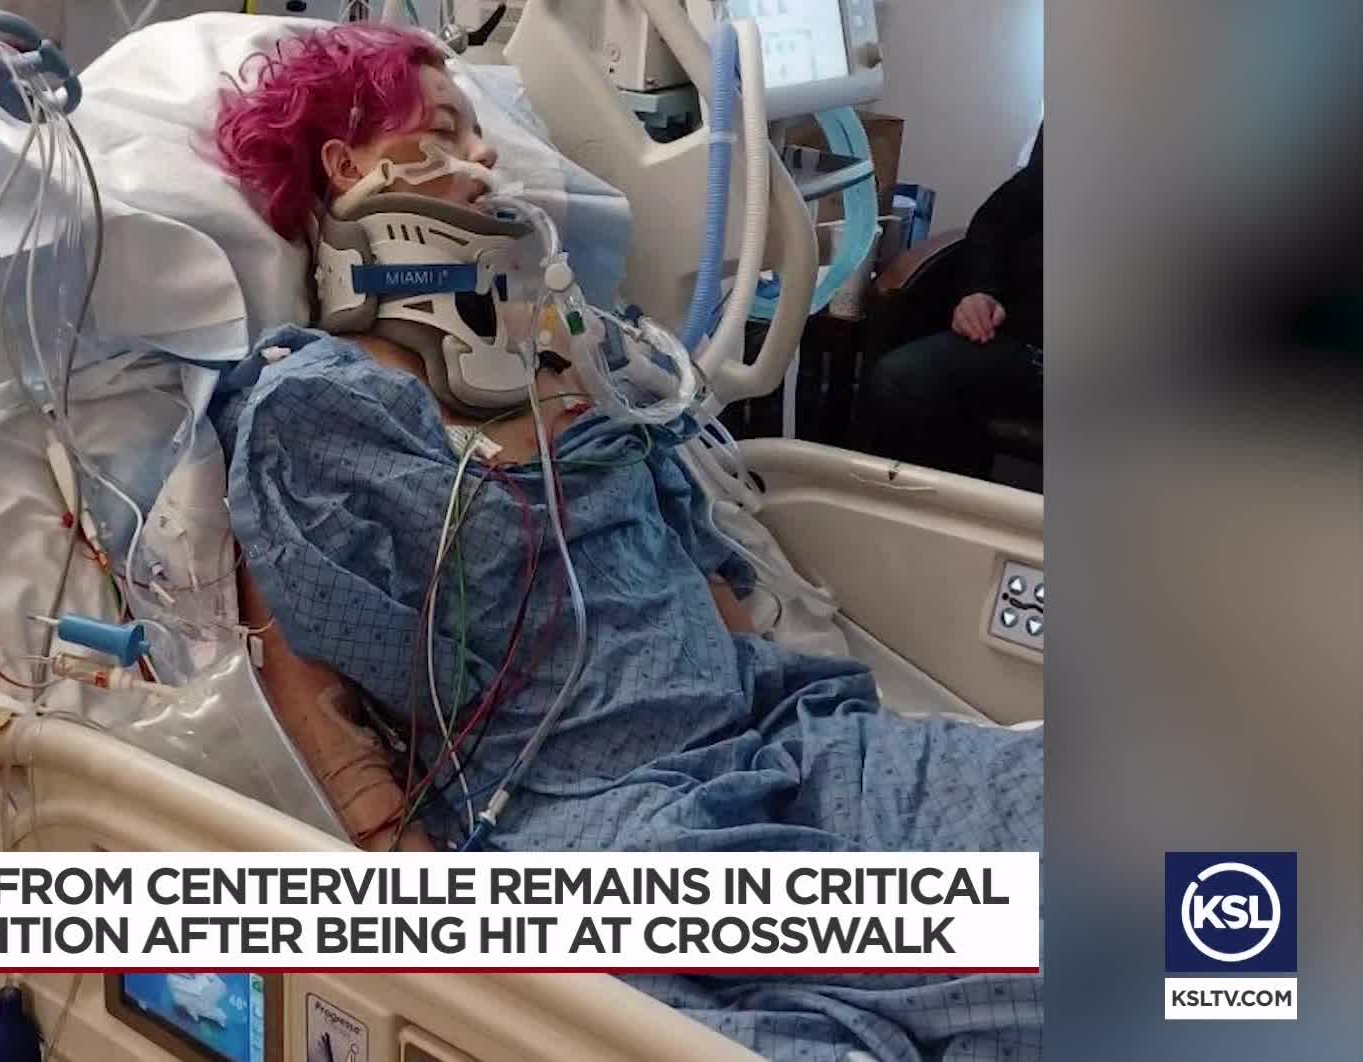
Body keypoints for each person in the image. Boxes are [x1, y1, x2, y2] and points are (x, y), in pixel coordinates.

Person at [192, 24, 1042, 1061]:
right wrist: (431, 924)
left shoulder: (573, 364)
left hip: (779, 742)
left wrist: (789, 695)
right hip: (600, 822)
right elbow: (311, 698)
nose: (485, 154)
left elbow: (706, 579)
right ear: (348, 164)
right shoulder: (320, 411)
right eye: (446, 129)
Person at [852, 124, 1043, 479]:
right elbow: (994, 222)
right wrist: (980, 291)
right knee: (901, 377)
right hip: (1025, 344)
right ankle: (936, 507)